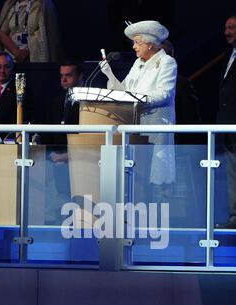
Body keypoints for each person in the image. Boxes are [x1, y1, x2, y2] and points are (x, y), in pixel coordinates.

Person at [99, 20, 177, 199]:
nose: (134, 46)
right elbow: (124, 92)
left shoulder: (167, 62)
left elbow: (164, 94)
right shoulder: (137, 64)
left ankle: (158, 215)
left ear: (150, 44)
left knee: (157, 178)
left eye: (137, 42)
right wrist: (109, 74)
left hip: (156, 127)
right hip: (135, 128)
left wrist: (138, 99)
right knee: (138, 177)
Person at [44, 58, 84, 223]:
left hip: (81, 163)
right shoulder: (55, 100)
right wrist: (52, 154)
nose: (64, 79)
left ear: (80, 77)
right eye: (62, 76)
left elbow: (89, 137)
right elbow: (48, 132)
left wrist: (68, 156)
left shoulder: (88, 102)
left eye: (69, 75)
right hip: (56, 163)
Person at [217, 14, 236, 229]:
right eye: (226, 27)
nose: (227, 32)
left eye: (232, 28)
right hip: (228, 124)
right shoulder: (227, 54)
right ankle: (234, 217)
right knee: (231, 172)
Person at [0, 51, 16, 143]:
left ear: (12, 68)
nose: (2, 71)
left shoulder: (19, 91)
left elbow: (18, 121)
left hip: (4, 145)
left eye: (6, 67)